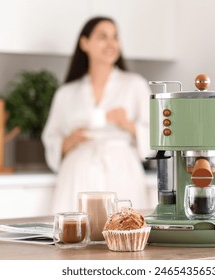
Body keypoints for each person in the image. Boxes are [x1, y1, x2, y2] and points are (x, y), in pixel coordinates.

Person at [42, 16, 152, 213]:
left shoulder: (135, 85)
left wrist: (128, 125)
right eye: (103, 36)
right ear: (84, 43)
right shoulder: (66, 92)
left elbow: (157, 136)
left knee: (124, 233)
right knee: (75, 234)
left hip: (122, 169)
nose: (111, 43)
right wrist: (66, 143)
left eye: (115, 37)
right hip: (77, 170)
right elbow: (51, 136)